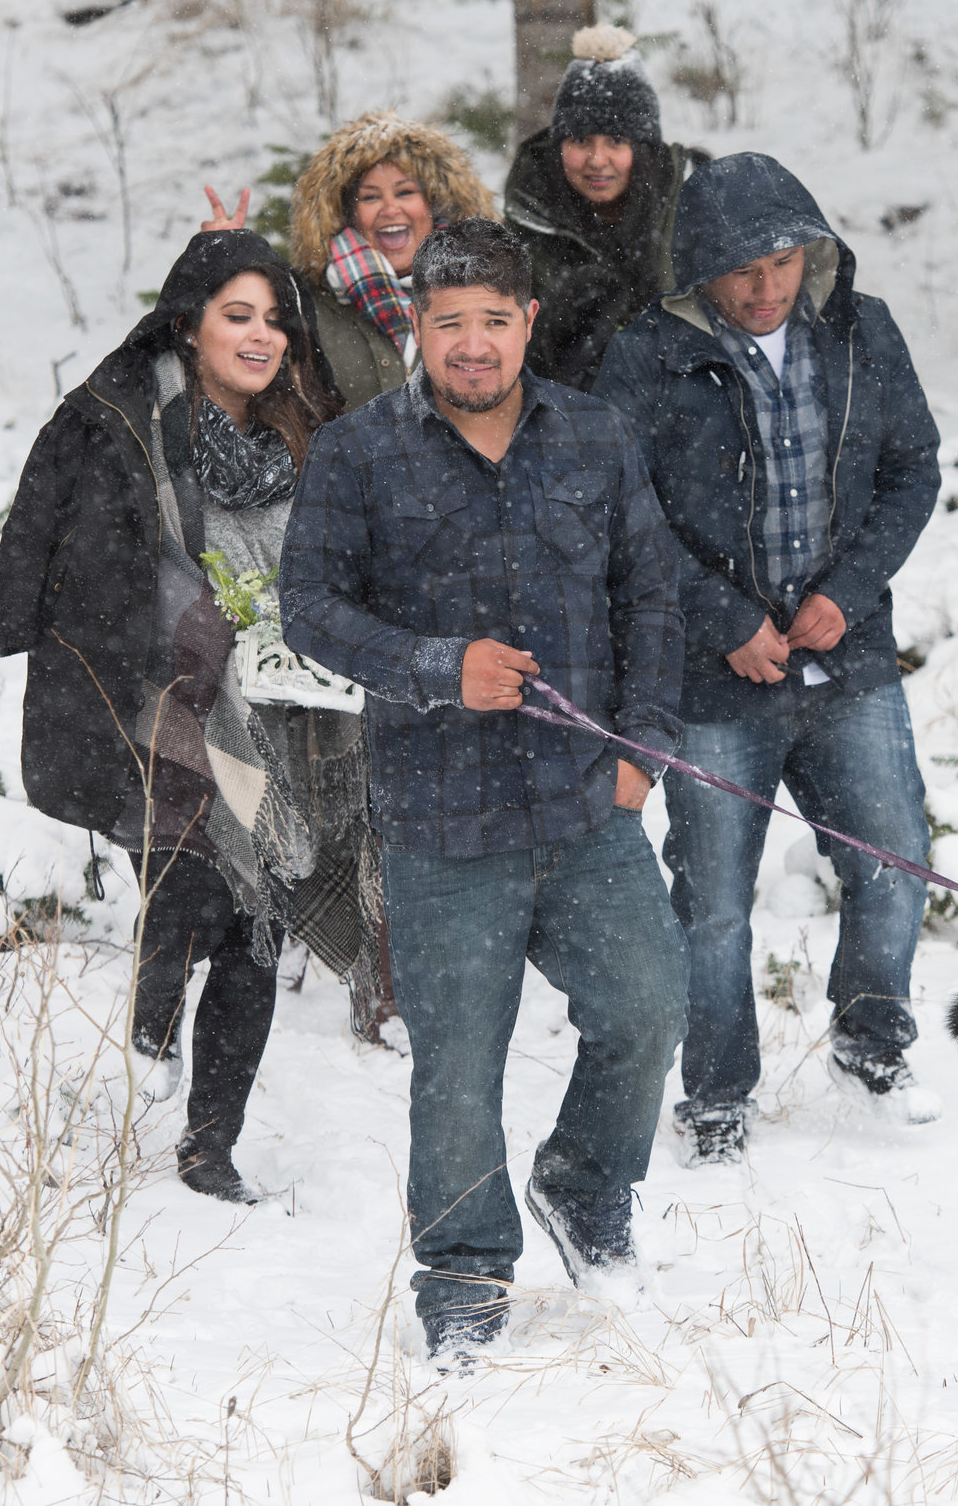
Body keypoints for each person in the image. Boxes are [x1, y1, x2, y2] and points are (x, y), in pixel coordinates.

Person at [276, 218, 687, 1363]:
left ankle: (585, 1183)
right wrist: (436, 667)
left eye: (492, 322)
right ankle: (461, 1275)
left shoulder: (597, 438)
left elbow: (649, 599)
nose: (470, 345)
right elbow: (309, 609)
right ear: (418, 323)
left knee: (651, 1005)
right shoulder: (358, 453)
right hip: (441, 821)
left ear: (527, 324)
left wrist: (640, 748)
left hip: (583, 804)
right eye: (447, 321)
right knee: (459, 1064)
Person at [0, 229, 386, 1204]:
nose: (260, 337)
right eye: (236, 315)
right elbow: (46, 557)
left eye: (274, 322)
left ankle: (210, 1147)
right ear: (189, 321)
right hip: (147, 706)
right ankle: (142, 1054)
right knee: (189, 895)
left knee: (256, 921)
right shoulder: (114, 419)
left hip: (268, 713)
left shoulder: (298, 434)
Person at [592, 153, 944, 1166]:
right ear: (699, 270)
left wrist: (848, 592)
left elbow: (912, 469)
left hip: (848, 663)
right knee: (711, 901)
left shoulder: (860, 331)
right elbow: (624, 510)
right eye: (741, 269)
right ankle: (715, 1094)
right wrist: (720, 618)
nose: (764, 286)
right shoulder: (647, 355)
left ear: (813, 254)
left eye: (783, 260)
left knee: (891, 856)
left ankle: (871, 1040)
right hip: (714, 680)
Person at [503, 25, 704, 391]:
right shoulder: (527, 229)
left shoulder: (689, 213)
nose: (597, 160)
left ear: (641, 149)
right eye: (580, 140)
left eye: (615, 141)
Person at [272, 111, 500, 410]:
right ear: (347, 214)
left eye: (405, 192)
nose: (390, 209)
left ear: (433, 205)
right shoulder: (308, 306)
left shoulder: (488, 293)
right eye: (370, 197)